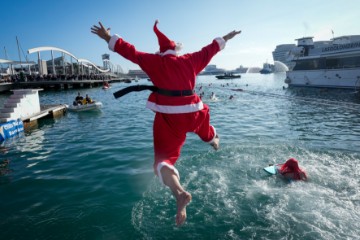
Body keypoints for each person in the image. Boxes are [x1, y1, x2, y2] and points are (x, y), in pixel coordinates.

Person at [91, 20, 241, 226]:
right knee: (207, 133)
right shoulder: (190, 60)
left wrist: (109, 37)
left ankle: (179, 193)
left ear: (161, 52)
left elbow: (131, 52)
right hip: (194, 112)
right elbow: (210, 49)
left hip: (169, 116)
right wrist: (226, 38)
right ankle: (213, 141)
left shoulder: (154, 62)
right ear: (176, 51)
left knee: (164, 160)